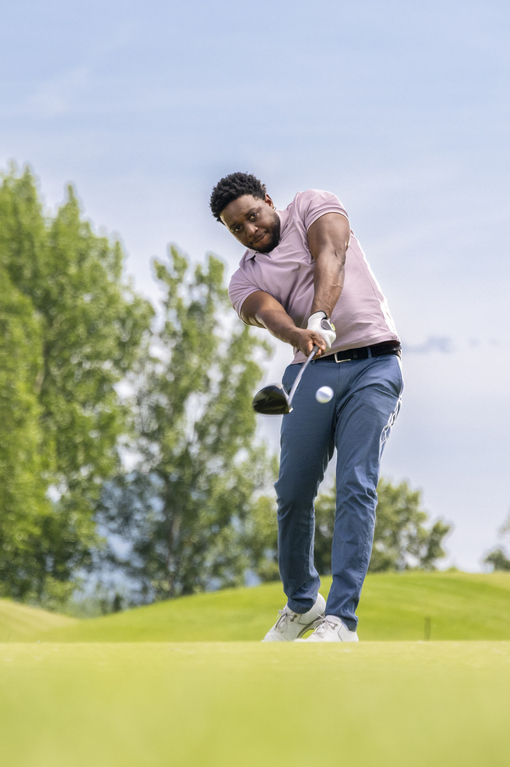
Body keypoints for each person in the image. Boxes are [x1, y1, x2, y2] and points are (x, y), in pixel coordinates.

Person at [210, 172, 403, 642]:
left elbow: (330, 255)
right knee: (292, 491)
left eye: (253, 216)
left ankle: (341, 621)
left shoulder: (312, 204)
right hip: (309, 370)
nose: (250, 230)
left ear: (268, 201)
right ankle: (303, 604)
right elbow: (266, 311)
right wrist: (299, 334)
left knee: (356, 483)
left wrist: (319, 313)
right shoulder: (244, 277)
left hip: (373, 364)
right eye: (237, 227)